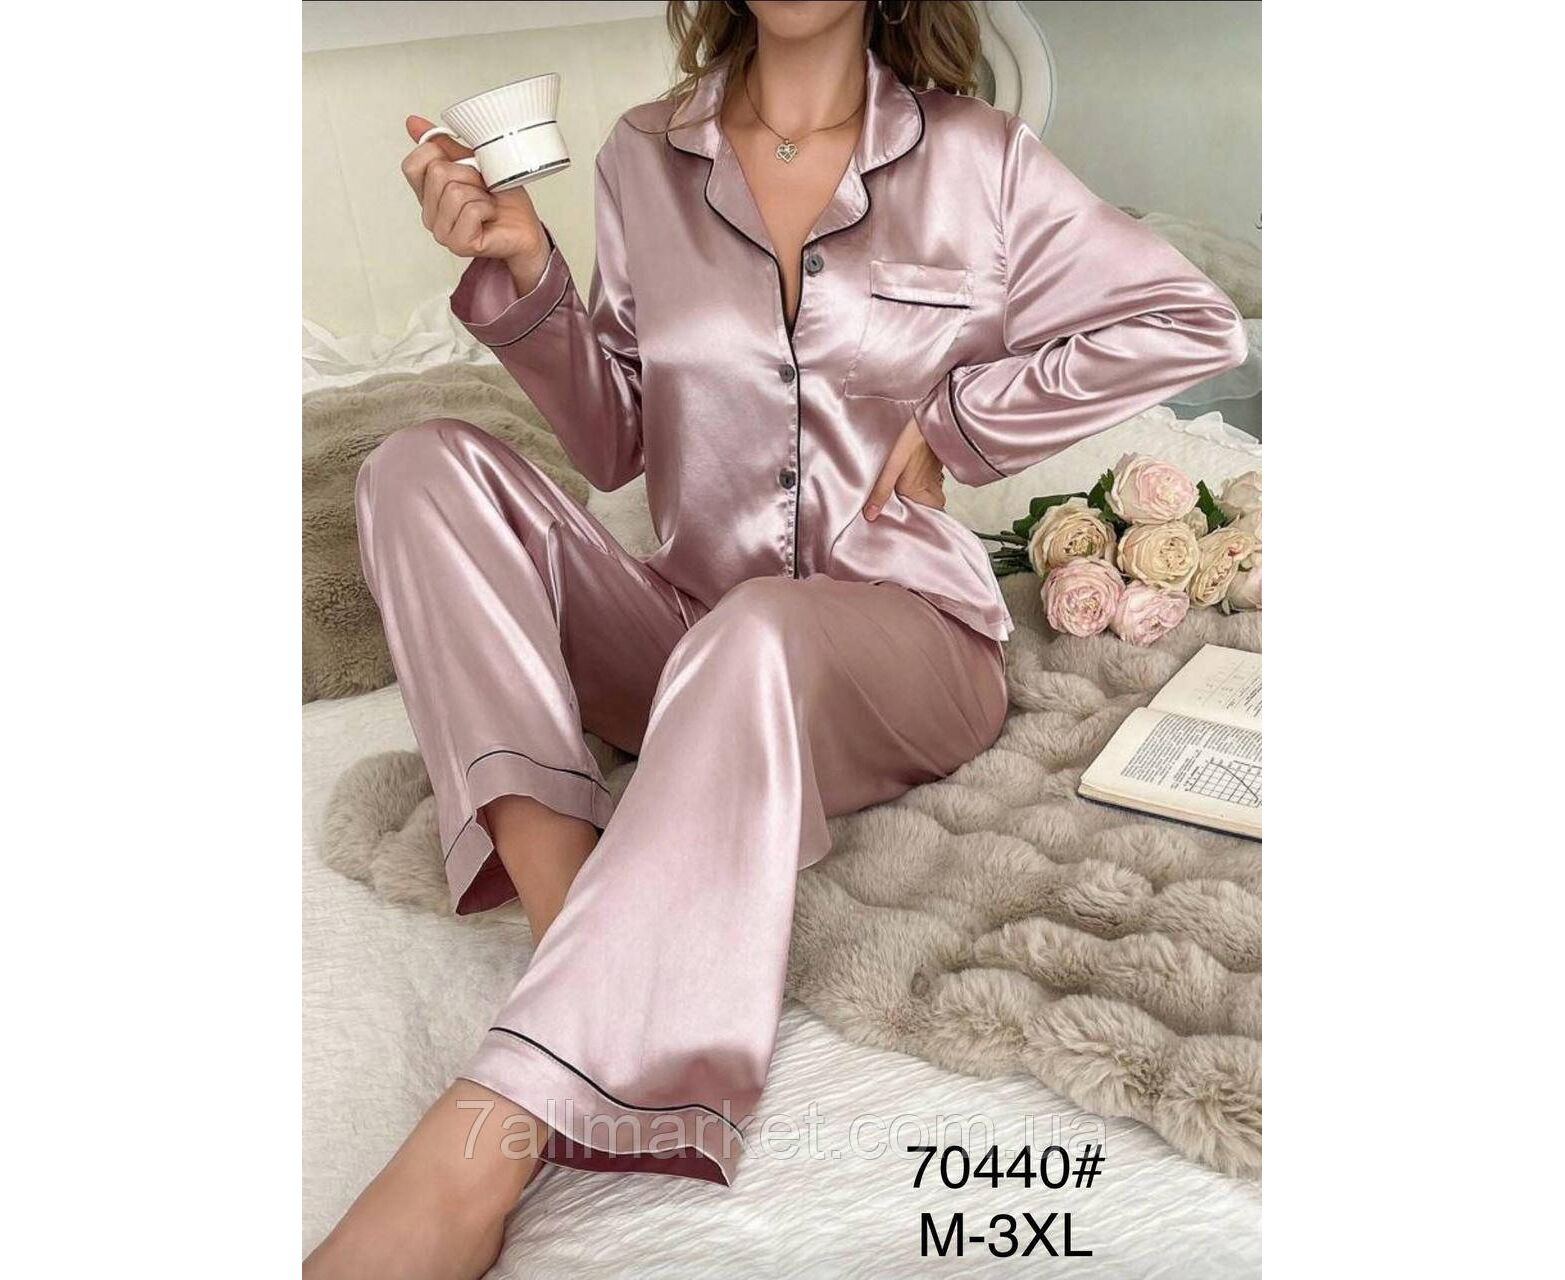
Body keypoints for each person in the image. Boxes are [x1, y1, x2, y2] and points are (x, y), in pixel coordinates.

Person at [306, 1, 1246, 1275]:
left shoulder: (980, 159)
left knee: (757, 631)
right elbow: (612, 438)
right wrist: (526, 273)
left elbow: (1187, 318)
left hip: (901, 644)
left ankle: (490, 1131)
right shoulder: (645, 153)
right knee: (416, 466)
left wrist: (963, 420)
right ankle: (572, 935)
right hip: (692, 635)